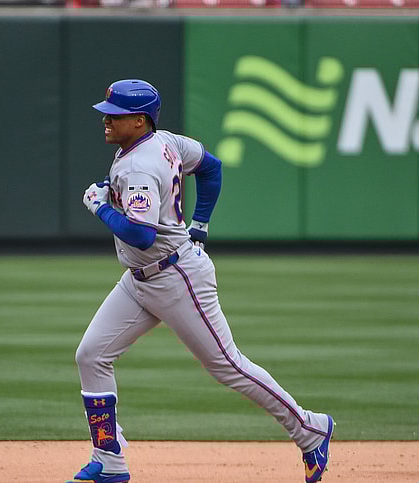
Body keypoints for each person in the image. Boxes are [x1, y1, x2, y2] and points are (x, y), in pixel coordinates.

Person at [67, 79, 334, 483]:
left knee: (227, 365)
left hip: (176, 278)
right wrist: (200, 225)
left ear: (139, 121)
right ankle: (109, 458)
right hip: (140, 279)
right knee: (91, 355)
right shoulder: (166, 142)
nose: (106, 119)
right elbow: (211, 167)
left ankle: (310, 428)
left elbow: (141, 234)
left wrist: (100, 207)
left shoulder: (139, 165)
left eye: (115, 114)